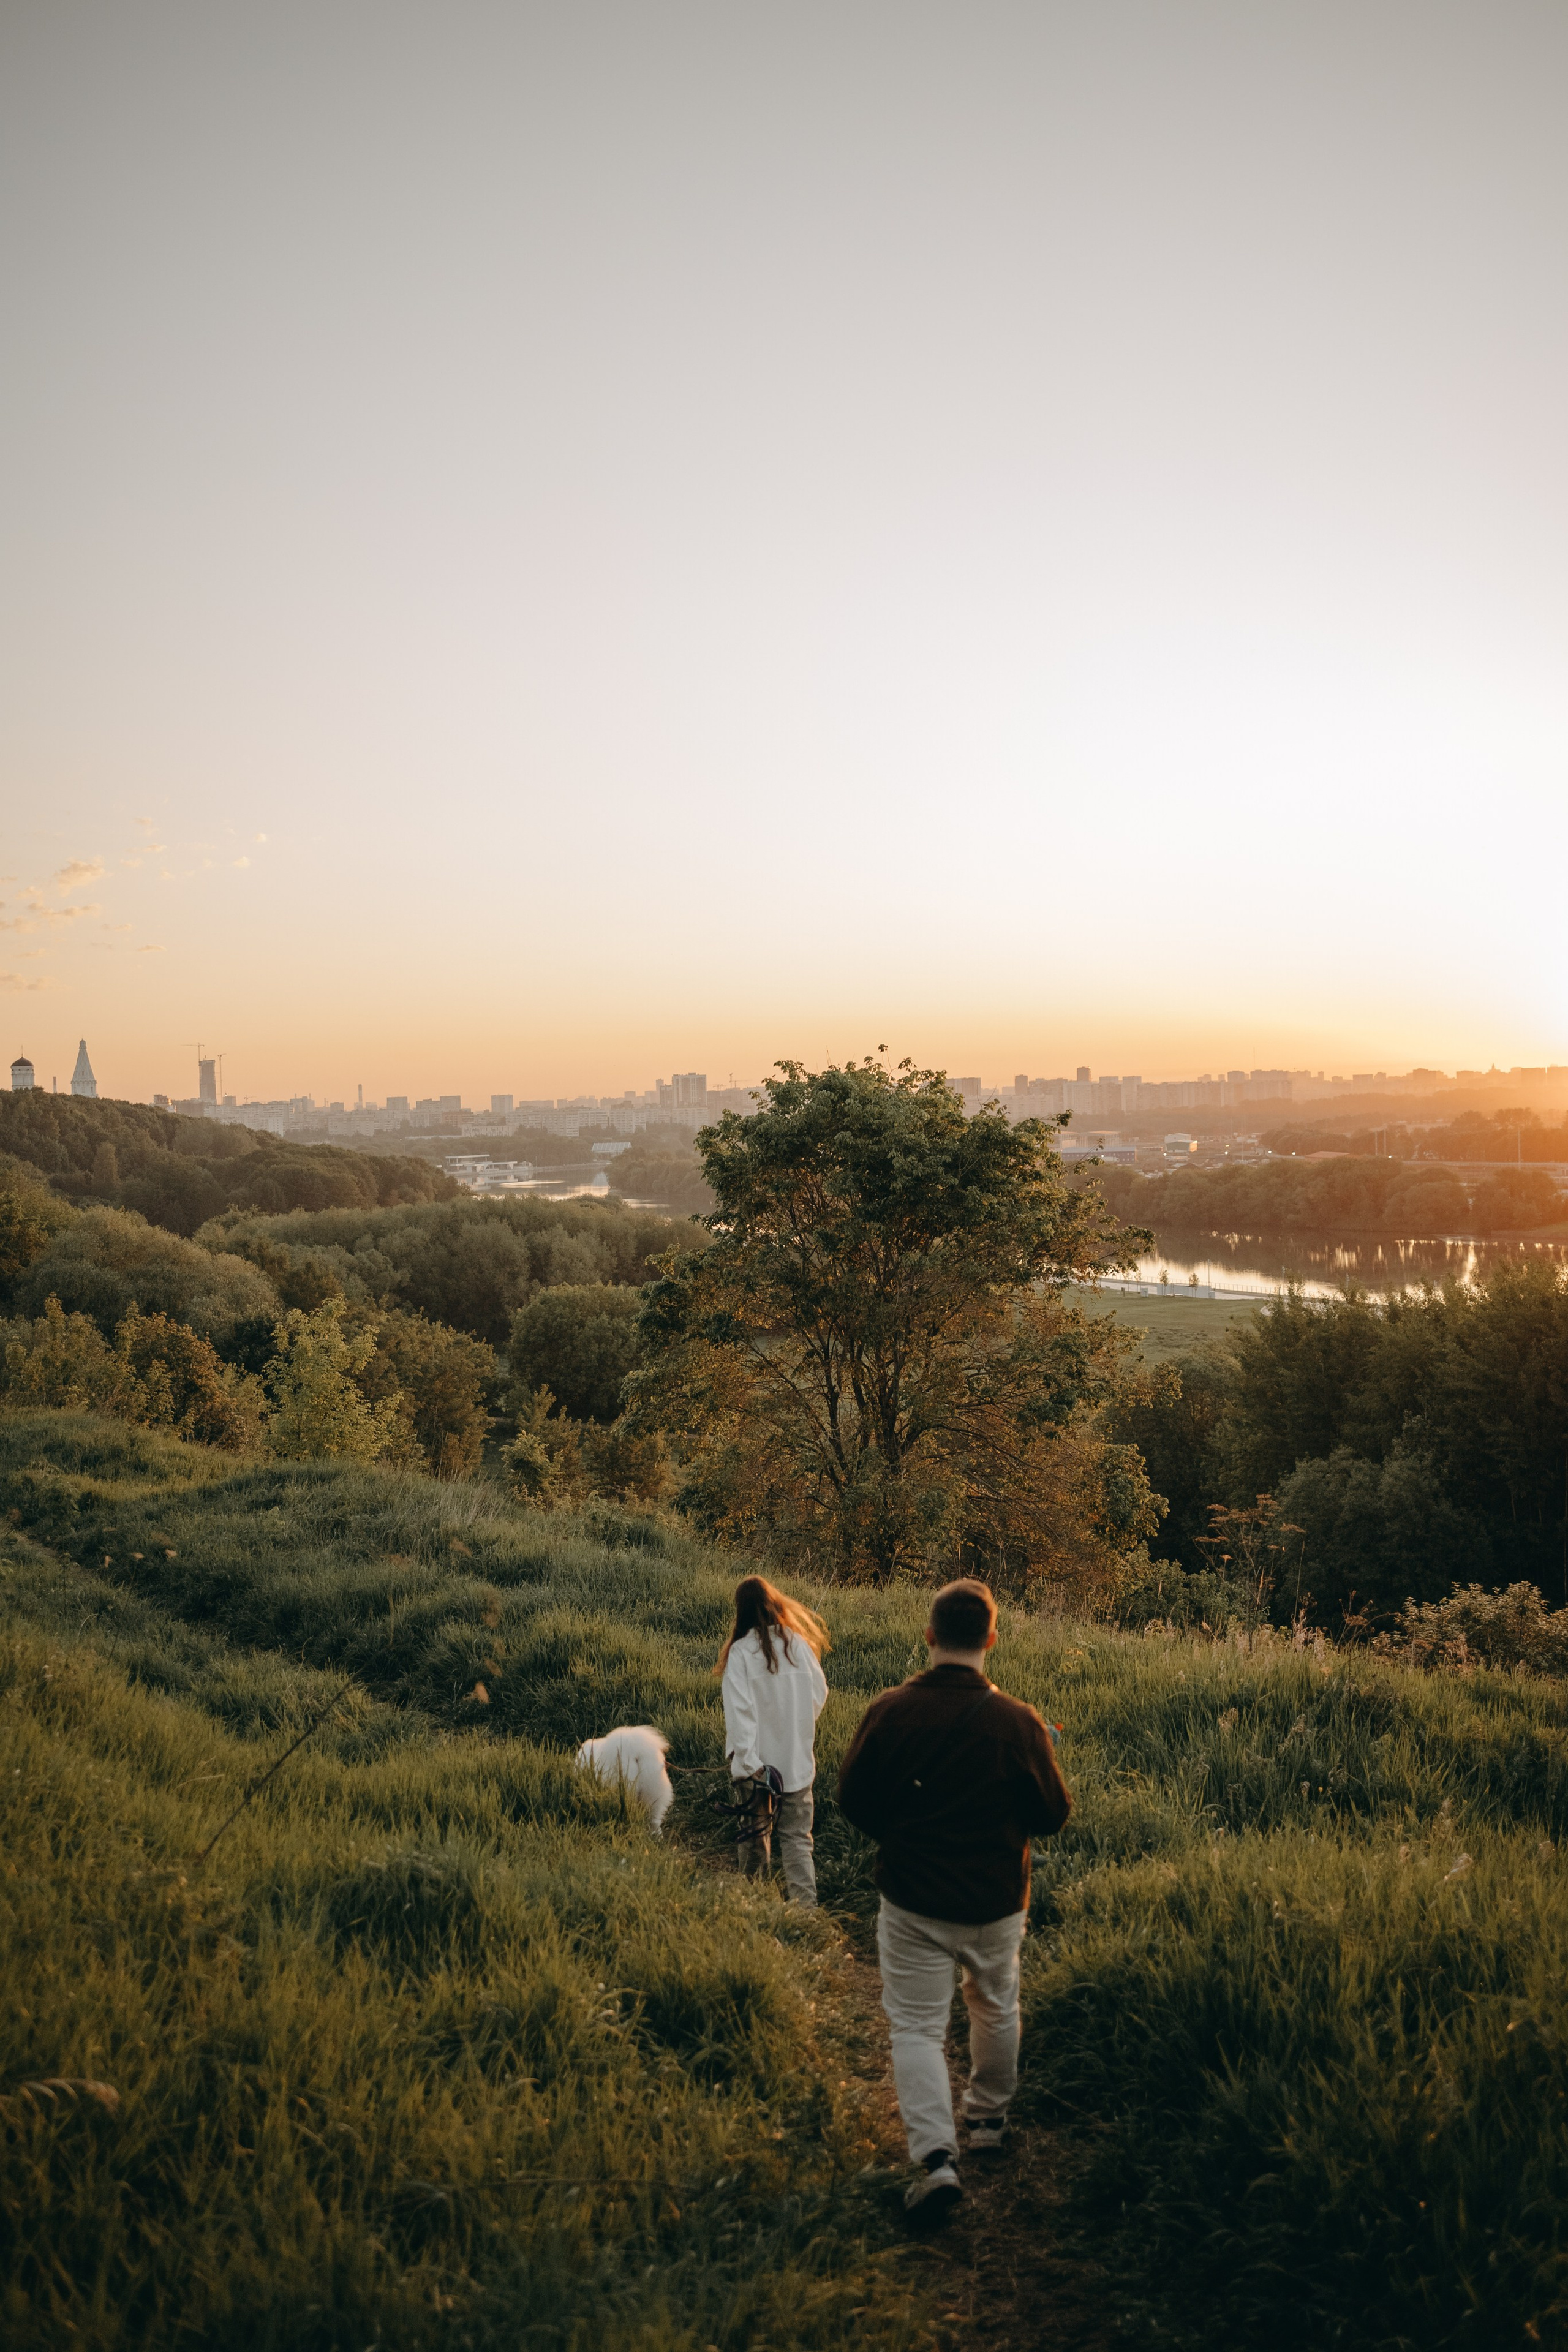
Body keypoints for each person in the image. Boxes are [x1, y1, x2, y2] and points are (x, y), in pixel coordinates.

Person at [837, 1577, 1071, 2222]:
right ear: (991, 1639)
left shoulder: (889, 1710)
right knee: (996, 2004)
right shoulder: (1019, 1724)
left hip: (913, 1898)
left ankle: (937, 2159)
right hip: (997, 1900)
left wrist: (901, 1837)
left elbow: (852, 1799)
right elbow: (1052, 1815)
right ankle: (989, 2121)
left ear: (930, 1636)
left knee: (915, 2025)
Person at [717, 1575, 830, 1904]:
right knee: (797, 1840)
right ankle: (806, 1913)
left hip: (755, 1769)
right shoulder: (798, 1645)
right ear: (774, 1604)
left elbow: (741, 1714)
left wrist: (750, 1763)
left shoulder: (740, 1653)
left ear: (742, 1612)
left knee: (755, 1840)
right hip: (796, 1764)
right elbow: (819, 1693)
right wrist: (798, 1727)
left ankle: (755, 1908)